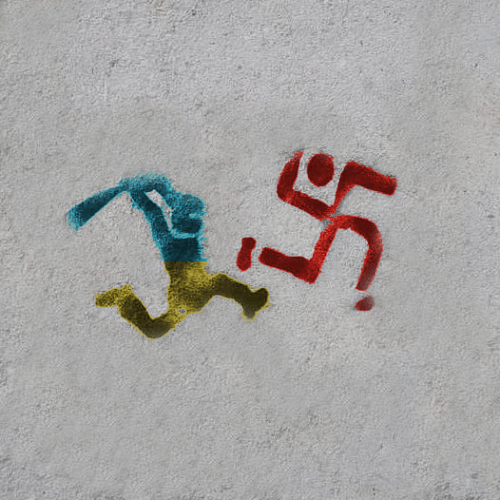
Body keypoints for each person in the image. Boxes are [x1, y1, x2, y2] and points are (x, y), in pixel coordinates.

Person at [68, 173, 270, 339]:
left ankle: (124, 298)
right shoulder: (173, 237)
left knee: (157, 327)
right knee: (214, 284)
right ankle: (124, 297)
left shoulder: (179, 233)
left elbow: (159, 209)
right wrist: (137, 190)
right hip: (188, 283)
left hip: (188, 286)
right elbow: (156, 211)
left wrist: (136, 189)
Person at [258, 152, 397, 292]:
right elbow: (285, 192)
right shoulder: (349, 173)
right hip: (333, 220)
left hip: (334, 219)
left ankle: (361, 286)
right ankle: (361, 286)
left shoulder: (349, 173)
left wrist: (296, 158)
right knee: (311, 272)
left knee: (311, 272)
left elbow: (285, 191)